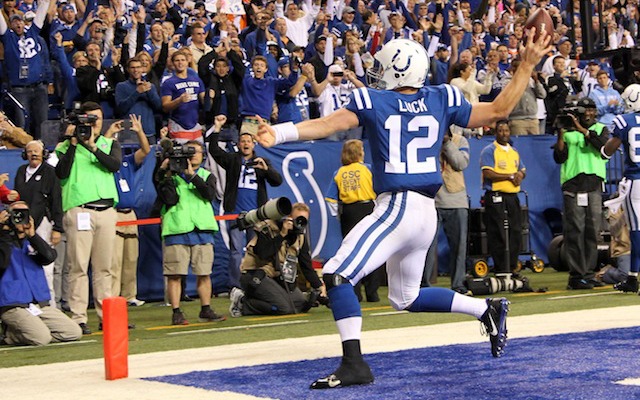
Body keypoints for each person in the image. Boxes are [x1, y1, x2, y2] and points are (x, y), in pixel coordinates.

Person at [255, 34, 552, 388]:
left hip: (398, 205)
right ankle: (486, 309)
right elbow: (500, 109)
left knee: (335, 273)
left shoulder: (373, 99)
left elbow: (327, 124)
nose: (376, 72)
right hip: (426, 212)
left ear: (397, 70)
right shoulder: (441, 97)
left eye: (382, 66)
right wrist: (528, 64)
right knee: (405, 297)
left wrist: (280, 132)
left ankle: (354, 365)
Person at [55, 101, 122, 335]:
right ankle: (79, 318)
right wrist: (73, 142)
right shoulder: (64, 147)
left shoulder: (108, 143)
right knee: (78, 267)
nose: (94, 124)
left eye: (98, 119)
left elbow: (114, 165)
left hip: (106, 211)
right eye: (90, 119)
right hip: (80, 209)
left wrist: (93, 147)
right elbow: (60, 172)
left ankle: (107, 316)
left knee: (105, 267)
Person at [208, 115, 283, 293]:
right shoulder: (233, 160)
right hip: (235, 212)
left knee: (256, 249)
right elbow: (215, 151)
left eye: (248, 141)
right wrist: (217, 128)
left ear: (254, 144)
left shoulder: (261, 162)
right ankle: (235, 285)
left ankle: (255, 283)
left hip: (257, 214)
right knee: (236, 251)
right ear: (238, 144)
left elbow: (277, 181)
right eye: (242, 141)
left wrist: (267, 170)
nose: (245, 144)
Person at [155, 139, 226, 325]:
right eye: (189, 151)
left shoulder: (206, 175)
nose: (193, 154)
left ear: (202, 156)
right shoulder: (170, 176)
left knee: (204, 273)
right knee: (175, 274)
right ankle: (176, 312)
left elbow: (209, 195)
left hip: (202, 229)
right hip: (176, 229)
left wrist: (192, 175)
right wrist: (165, 173)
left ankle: (206, 308)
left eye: (197, 151)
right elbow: (169, 198)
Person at [0, 201, 82, 346]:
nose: (20, 218)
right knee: (41, 339)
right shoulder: (3, 242)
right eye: (16, 214)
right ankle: (9, 335)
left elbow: (49, 257)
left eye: (24, 214)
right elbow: (2, 263)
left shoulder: (32, 242)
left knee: (73, 332)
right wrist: (3, 231)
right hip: (12, 305)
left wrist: (32, 236)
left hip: (39, 305)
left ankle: (25, 331)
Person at [228, 202, 324, 316]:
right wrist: (282, 234)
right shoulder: (267, 228)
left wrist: (319, 286)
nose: (299, 223)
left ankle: (268, 298)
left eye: (303, 220)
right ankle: (242, 302)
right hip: (255, 275)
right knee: (284, 308)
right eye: (297, 219)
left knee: (300, 304)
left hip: (277, 276)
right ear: (288, 217)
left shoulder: (299, 237)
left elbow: (306, 265)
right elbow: (263, 254)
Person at [553, 97, 609, 290]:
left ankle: (589, 273)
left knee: (592, 231)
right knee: (574, 231)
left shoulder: (601, 128)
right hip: (572, 184)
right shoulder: (568, 132)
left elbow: (601, 146)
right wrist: (560, 133)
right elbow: (559, 157)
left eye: (591, 110)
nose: (588, 113)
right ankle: (576, 275)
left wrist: (581, 129)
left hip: (593, 184)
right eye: (585, 110)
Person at [325, 139, 380, 302]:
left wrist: (338, 215)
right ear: (359, 153)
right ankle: (372, 292)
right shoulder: (368, 169)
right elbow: (379, 190)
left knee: (351, 251)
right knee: (372, 249)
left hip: (349, 212)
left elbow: (330, 199)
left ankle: (356, 292)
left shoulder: (339, 173)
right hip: (368, 209)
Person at [104, 114, 150, 307]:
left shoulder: (128, 162)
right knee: (114, 260)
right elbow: (101, 149)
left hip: (130, 214)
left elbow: (146, 150)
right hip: (113, 213)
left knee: (131, 258)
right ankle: (114, 296)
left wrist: (140, 132)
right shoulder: (104, 165)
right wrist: (109, 133)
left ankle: (129, 295)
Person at [14, 140, 64, 307]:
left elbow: (56, 200)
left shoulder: (50, 172)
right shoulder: (21, 171)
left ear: (44, 153)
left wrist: (57, 228)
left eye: (37, 151)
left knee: (47, 267)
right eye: (30, 151)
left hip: (43, 224)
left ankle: (50, 305)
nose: (34, 154)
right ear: (25, 154)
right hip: (22, 225)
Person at [601, 84, 640, 293]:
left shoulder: (624, 121)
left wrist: (603, 152)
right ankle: (632, 277)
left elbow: (609, 149)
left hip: (636, 181)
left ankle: (633, 279)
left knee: (636, 231)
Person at [423, 129, 470, 294]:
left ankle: (458, 284)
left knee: (459, 247)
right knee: (427, 247)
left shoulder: (460, 141)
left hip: (456, 200)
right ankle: (424, 286)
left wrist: (447, 143)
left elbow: (461, 163)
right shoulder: (426, 139)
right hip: (431, 201)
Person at [480, 120, 526, 283]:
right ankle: (500, 268)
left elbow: (522, 169)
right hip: (495, 195)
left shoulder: (514, 151)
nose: (504, 133)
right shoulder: (489, 150)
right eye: (500, 131)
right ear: (495, 133)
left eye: (506, 130)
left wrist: (519, 175)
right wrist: (510, 176)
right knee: (497, 232)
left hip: (512, 195)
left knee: (515, 231)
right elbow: (488, 173)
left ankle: (512, 267)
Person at [0, 3, 51, 139]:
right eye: (14, 22)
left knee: (42, 122)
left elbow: (42, 10)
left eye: (20, 21)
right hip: (19, 89)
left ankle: (42, 150)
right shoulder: (8, 38)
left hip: (39, 87)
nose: (18, 24)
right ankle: (22, 152)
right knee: (22, 123)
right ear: (10, 25)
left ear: (24, 23)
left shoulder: (33, 33)